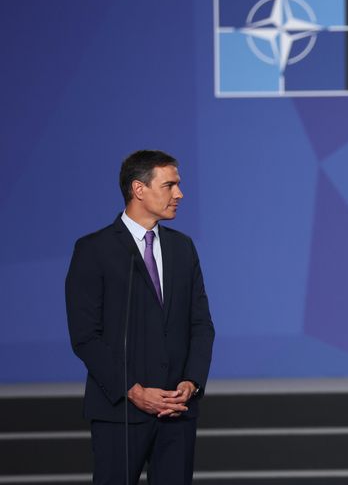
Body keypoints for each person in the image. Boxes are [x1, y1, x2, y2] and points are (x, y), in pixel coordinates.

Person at [66, 150, 215, 484]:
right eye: (170, 185)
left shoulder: (183, 248)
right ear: (139, 189)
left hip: (177, 412)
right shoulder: (94, 249)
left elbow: (201, 324)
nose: (179, 194)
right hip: (120, 412)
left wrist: (190, 382)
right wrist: (132, 390)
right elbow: (85, 336)